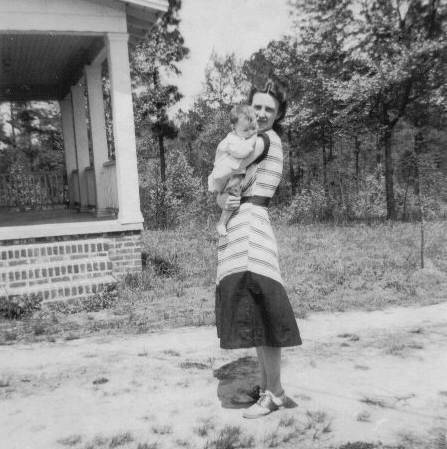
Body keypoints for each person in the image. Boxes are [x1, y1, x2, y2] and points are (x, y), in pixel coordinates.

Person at [214, 78, 302, 419]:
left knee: (264, 312)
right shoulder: (256, 140)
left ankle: (275, 393)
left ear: (278, 114)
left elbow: (227, 168)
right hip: (241, 225)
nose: (262, 113)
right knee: (254, 312)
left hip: (253, 228)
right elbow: (227, 187)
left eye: (269, 109)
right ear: (249, 108)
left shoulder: (266, 140)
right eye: (257, 107)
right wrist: (222, 198)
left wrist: (219, 186)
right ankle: (266, 387)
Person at [208, 104, 258, 236]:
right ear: (233, 127)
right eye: (246, 130)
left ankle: (223, 223)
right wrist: (254, 137)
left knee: (233, 198)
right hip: (226, 175)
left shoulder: (238, 137)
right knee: (233, 198)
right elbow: (243, 152)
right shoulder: (231, 140)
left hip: (229, 174)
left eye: (252, 128)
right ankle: (222, 223)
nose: (250, 132)